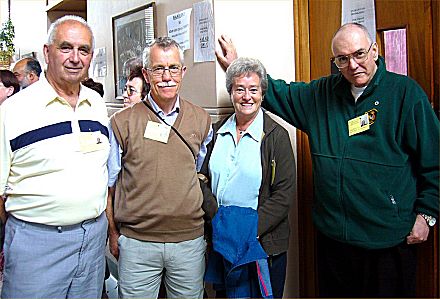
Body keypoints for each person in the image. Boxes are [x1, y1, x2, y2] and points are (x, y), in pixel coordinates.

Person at [216, 23, 439, 297]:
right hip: (335, 241)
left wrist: (427, 214)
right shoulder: (321, 94)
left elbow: (434, 158)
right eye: (342, 59)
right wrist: (237, 67)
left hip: (387, 240)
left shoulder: (405, 94)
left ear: (375, 51)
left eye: (359, 54)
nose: (353, 65)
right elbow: (276, 92)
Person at [0, 15, 110, 298]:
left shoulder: (97, 105)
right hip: (36, 243)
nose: (75, 58)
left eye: (83, 50)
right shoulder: (14, 111)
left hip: (93, 241)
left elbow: (103, 173)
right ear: (47, 52)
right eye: (66, 47)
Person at [106, 36, 213, 298]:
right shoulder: (122, 122)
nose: (167, 76)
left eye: (173, 68)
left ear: (183, 72)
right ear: (146, 73)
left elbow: (197, 170)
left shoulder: (201, 119)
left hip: (188, 241)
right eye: (158, 69)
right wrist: (112, 234)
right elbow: (108, 185)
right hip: (137, 243)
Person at [200, 57, 295, 298]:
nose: (246, 96)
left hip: (262, 243)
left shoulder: (276, 136)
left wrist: (246, 229)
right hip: (222, 240)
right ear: (230, 91)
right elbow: (201, 180)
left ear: (263, 93)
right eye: (239, 89)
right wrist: (220, 222)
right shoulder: (216, 132)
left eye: (253, 90)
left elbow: (283, 196)